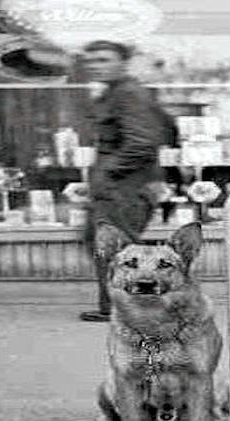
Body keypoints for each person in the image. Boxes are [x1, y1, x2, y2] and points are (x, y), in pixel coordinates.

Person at [78, 40, 176, 322]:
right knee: (106, 244)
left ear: (122, 63)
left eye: (104, 59)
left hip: (126, 186)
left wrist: (106, 172)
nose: (96, 65)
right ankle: (121, 306)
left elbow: (143, 142)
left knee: (114, 247)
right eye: (91, 60)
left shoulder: (129, 94)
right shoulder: (114, 93)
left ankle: (130, 308)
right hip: (122, 185)